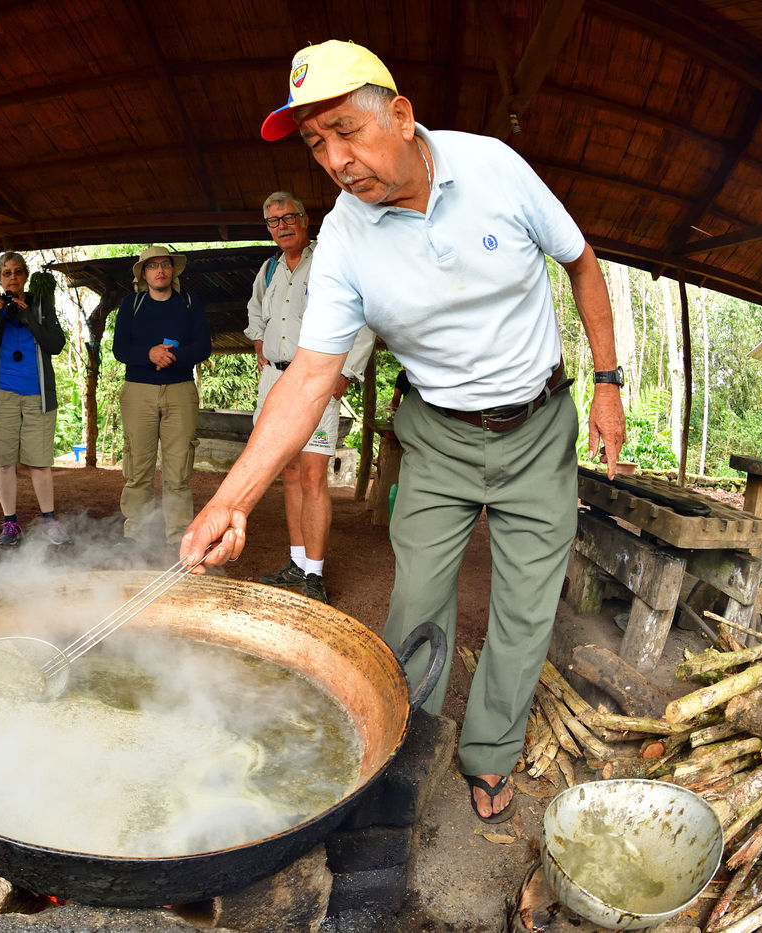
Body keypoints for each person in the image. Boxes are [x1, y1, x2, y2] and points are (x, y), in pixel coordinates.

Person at [182, 41, 625, 824]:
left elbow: (582, 261)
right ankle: (397, 743)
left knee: (526, 608)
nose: (337, 160)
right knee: (416, 599)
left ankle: (489, 753)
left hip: (538, 430)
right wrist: (233, 499)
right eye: (318, 144)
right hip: (439, 438)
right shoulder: (345, 241)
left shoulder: (495, 169)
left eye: (347, 131)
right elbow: (310, 378)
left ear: (401, 114)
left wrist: (610, 384)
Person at [246, 191, 376, 603]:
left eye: (289, 217)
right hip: (276, 381)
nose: (282, 226)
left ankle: (315, 574)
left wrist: (347, 373)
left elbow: (363, 318)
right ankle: (297, 562)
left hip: (318, 381)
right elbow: (256, 317)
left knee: (315, 476)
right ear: (268, 229)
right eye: (274, 221)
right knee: (288, 474)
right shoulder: (268, 269)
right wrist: (259, 348)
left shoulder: (330, 262)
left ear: (305, 220)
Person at [112, 245, 211, 554]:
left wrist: (172, 356)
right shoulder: (132, 304)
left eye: (165, 264)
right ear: (144, 273)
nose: (160, 270)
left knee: (178, 469)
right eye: (152, 266)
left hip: (180, 390)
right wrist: (148, 354)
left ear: (173, 270)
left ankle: (178, 536)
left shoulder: (189, 303)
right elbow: (119, 349)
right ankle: (136, 536)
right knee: (137, 467)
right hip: (138, 390)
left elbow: (204, 347)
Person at [0, 251, 71, 548]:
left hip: (37, 395)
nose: (12, 277)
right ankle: (10, 523)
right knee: (4, 464)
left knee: (39, 463)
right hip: (1, 396)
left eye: (17, 272)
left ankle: (50, 522)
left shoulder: (41, 304)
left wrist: (27, 316)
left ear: (25, 276)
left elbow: (55, 345)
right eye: (6, 273)